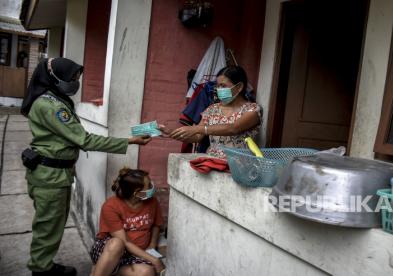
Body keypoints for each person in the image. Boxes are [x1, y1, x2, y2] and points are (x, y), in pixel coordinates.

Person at [20, 58, 152, 276]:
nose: (75, 82)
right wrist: (129, 141)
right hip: (50, 177)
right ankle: (41, 270)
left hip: (52, 174)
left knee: (51, 226)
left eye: (77, 78)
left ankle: (44, 265)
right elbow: (85, 140)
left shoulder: (55, 99)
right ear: (55, 78)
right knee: (47, 228)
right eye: (72, 78)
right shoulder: (50, 105)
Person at [160, 66, 262, 158]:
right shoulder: (212, 109)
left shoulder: (253, 110)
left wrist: (197, 128)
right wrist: (171, 132)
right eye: (217, 86)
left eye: (223, 85)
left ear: (239, 87)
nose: (219, 89)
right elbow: (197, 136)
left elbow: (233, 128)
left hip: (240, 168)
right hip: (212, 164)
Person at [90, 168, 165, 276]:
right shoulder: (111, 206)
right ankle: (101, 269)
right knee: (117, 244)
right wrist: (154, 260)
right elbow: (125, 242)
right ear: (136, 193)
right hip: (111, 251)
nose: (152, 187)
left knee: (147, 272)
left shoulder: (152, 202)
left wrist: (152, 245)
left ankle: (104, 269)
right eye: (148, 185)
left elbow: (156, 225)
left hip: (136, 253)